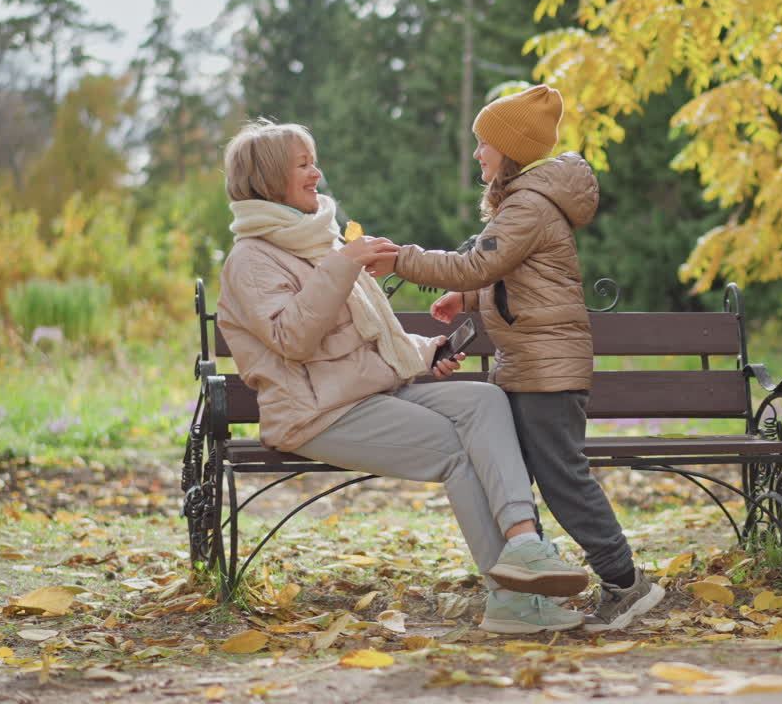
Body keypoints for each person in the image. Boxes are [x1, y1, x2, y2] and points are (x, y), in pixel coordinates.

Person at [215, 118, 590, 634]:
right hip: (319, 414)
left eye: (313, 161)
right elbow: (293, 341)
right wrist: (341, 265)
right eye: (303, 165)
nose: (317, 174)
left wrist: (424, 350)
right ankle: (511, 601)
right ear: (267, 179)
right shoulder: (252, 259)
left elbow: (368, 336)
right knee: (457, 450)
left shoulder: (318, 241)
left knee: (483, 402)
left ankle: (524, 545)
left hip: (367, 396)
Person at [366, 85, 665, 631]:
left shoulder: (528, 204)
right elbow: (510, 279)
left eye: (484, 144)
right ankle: (537, 587)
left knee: (562, 479)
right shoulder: (527, 203)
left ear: (512, 150)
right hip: (533, 364)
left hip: (546, 369)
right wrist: (471, 300)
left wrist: (399, 260)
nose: (478, 153)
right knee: (536, 477)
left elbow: (475, 266)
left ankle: (625, 582)